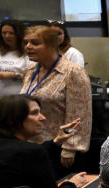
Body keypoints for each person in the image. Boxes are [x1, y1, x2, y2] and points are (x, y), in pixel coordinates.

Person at [20, 26, 91, 172]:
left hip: (59, 148)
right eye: (26, 42)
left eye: (34, 43)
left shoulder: (72, 72)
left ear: (51, 45)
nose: (28, 47)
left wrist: (70, 147)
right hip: (32, 145)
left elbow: (80, 114)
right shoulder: (30, 70)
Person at [0, 20, 29, 98]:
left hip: (22, 100)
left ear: (19, 35)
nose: (7, 36)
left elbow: (36, 79)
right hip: (1, 100)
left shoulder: (28, 54)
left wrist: (13, 75)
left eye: (11, 33)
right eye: (4, 33)